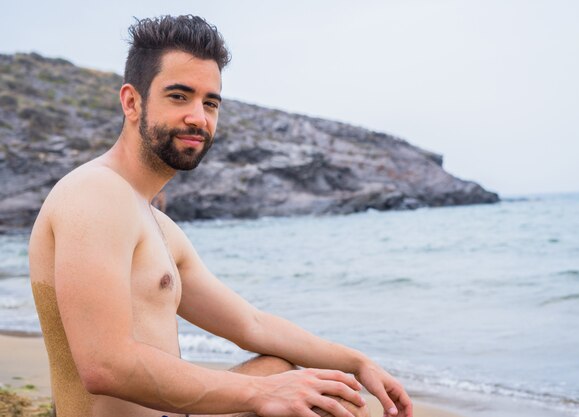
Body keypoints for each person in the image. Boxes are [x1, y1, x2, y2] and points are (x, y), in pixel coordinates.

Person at [28, 15, 413, 417]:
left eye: (210, 102)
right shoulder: (94, 192)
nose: (199, 117)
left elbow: (251, 324)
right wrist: (261, 395)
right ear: (131, 102)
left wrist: (356, 363)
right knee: (298, 393)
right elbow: (105, 366)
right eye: (179, 96)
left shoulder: (157, 225)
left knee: (292, 374)